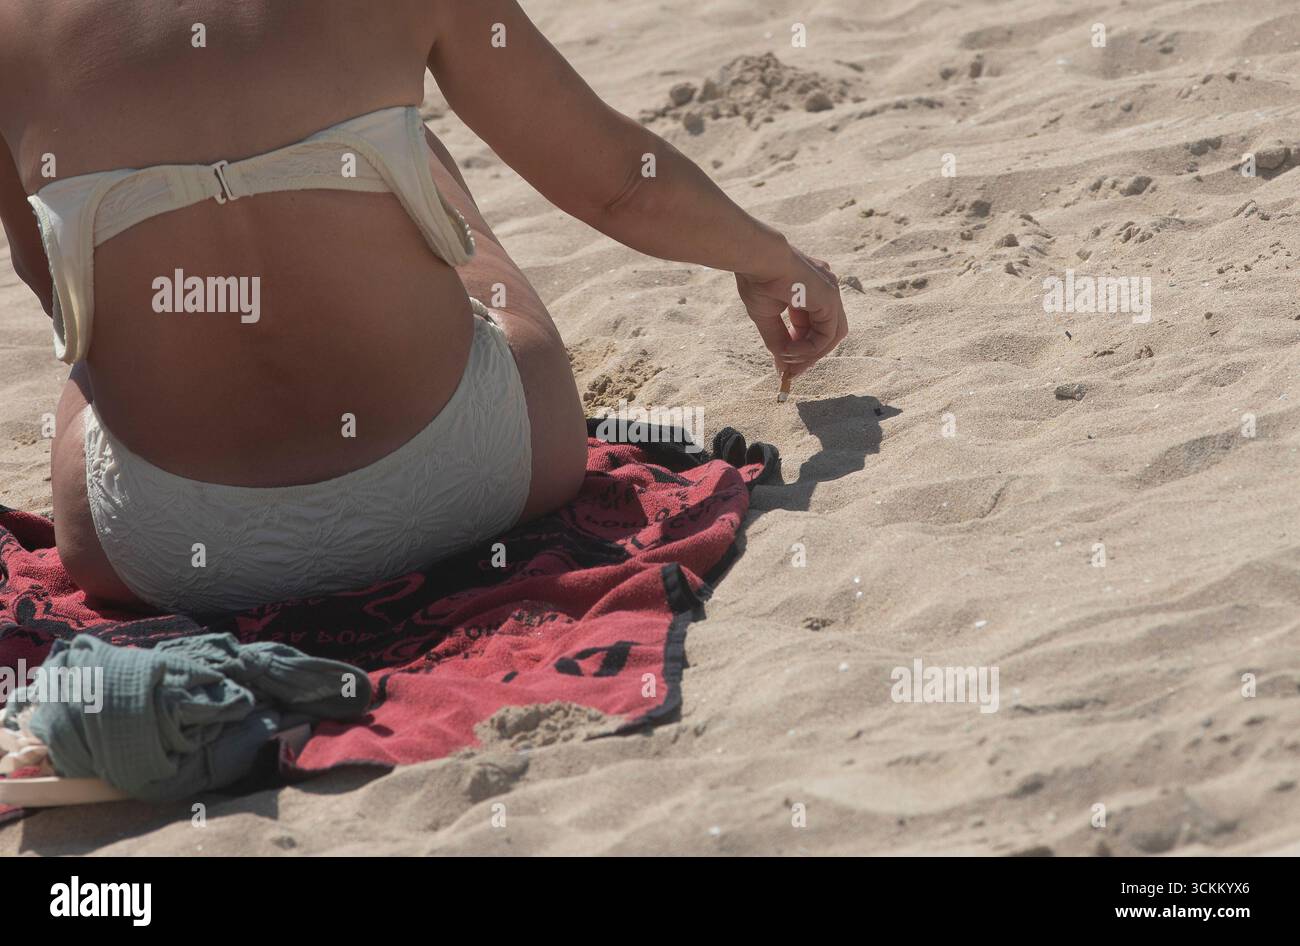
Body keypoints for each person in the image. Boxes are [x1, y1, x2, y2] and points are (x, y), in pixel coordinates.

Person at [0, 0, 847, 613]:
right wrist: (771, 263)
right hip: (478, 470)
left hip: (159, 547)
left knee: (106, 285)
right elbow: (618, 186)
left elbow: (56, 295)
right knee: (417, 158)